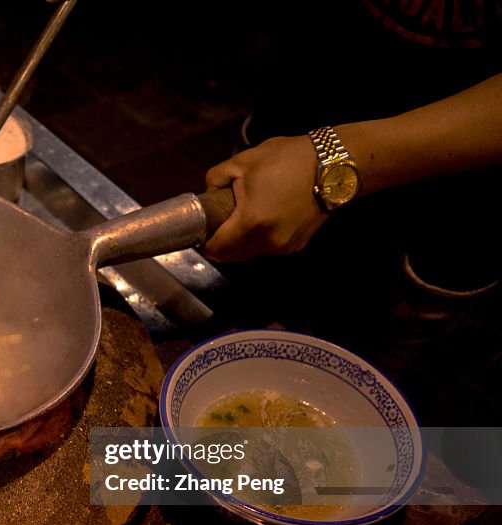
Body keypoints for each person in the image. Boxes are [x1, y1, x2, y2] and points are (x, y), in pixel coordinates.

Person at [196, 2, 502, 426]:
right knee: (212, 365)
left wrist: (334, 159)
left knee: (362, 439)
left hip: (439, 222)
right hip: (280, 154)